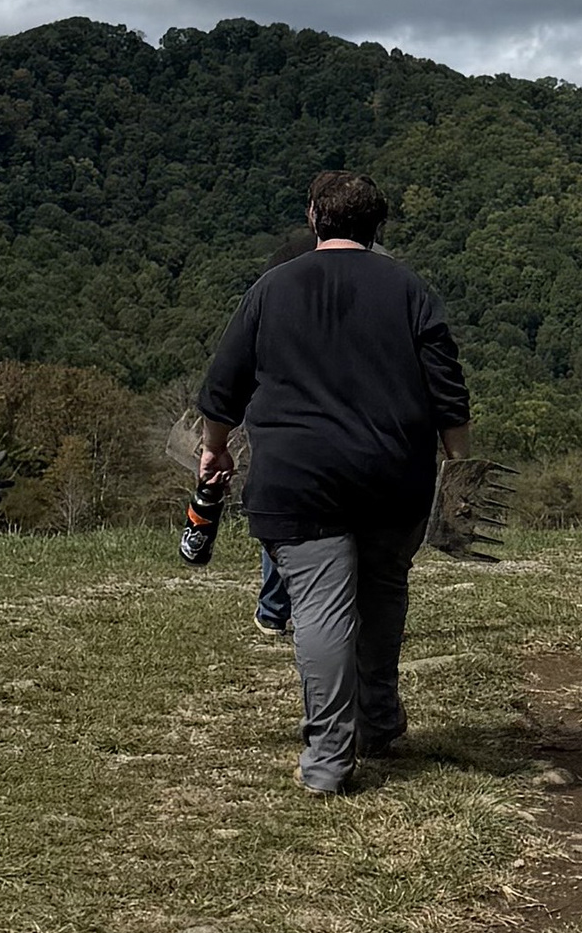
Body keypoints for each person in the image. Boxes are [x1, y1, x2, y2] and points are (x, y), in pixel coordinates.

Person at [194, 169, 470, 796]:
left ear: (314, 217)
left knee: (321, 611)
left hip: (297, 478)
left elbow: (222, 388)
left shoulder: (271, 288)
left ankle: (327, 761)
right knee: (383, 595)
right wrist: (457, 468)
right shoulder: (410, 289)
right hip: (394, 475)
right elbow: (449, 392)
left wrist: (214, 450)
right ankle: (379, 722)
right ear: (378, 225)